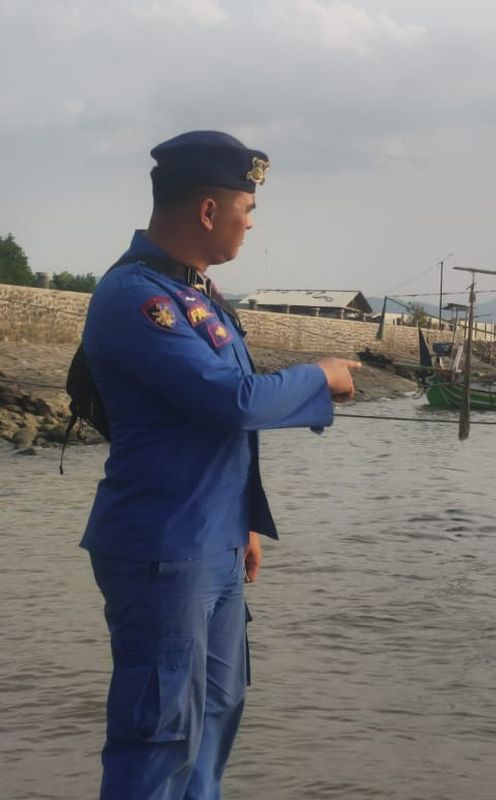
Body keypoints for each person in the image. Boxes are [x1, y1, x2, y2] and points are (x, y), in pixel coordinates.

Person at [80, 130, 360, 799]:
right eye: (247, 210)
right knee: (160, 733)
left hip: (213, 541)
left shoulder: (194, 295)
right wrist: (320, 377)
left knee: (215, 711)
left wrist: (245, 526)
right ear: (208, 210)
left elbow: (213, 432)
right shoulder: (138, 300)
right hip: (163, 547)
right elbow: (231, 402)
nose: (251, 224)